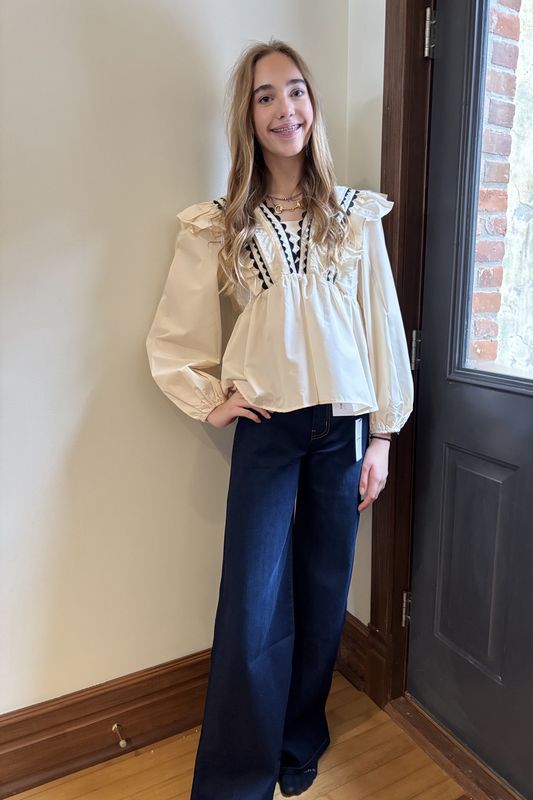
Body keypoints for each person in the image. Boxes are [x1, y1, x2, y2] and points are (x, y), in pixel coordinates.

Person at [146, 38, 414, 800]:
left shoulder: (354, 218)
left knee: (325, 591)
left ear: (311, 106)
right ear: (248, 116)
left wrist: (384, 436)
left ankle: (300, 743)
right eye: (265, 96)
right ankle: (236, 776)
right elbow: (175, 334)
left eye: (294, 91)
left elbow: (381, 328)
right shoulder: (223, 224)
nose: (283, 108)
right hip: (268, 428)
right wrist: (213, 399)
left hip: (342, 430)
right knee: (254, 601)